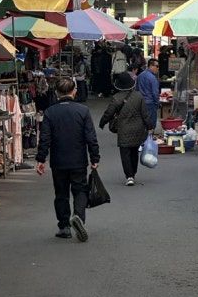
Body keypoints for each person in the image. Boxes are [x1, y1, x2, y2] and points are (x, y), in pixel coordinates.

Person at [36, 77, 100, 242]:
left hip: (58, 161)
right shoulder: (83, 111)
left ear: (56, 93)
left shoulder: (50, 112)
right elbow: (91, 137)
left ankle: (64, 226)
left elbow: (45, 138)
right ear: (74, 91)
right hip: (78, 159)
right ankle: (78, 216)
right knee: (80, 190)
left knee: (61, 193)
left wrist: (41, 159)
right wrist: (95, 157)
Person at [99, 71, 153, 185]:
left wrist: (102, 122)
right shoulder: (139, 96)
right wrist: (150, 126)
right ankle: (133, 173)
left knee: (125, 153)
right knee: (134, 151)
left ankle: (129, 176)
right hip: (138, 129)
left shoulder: (116, 98)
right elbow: (145, 114)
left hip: (123, 129)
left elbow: (109, 113)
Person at [136, 58, 160, 130]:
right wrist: (157, 103)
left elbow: (136, 89)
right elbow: (155, 93)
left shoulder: (140, 75)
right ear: (151, 66)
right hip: (150, 103)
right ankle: (149, 139)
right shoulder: (152, 78)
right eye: (157, 66)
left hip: (140, 102)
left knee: (142, 122)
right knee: (151, 124)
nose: (158, 68)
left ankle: (143, 138)